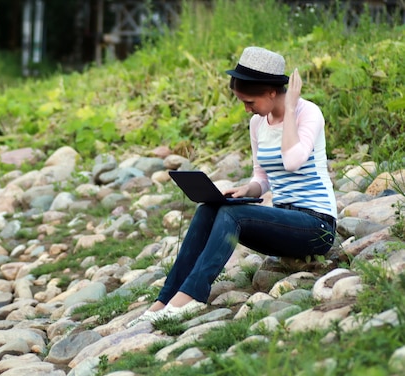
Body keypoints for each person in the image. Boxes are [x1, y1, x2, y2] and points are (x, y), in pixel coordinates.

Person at [128, 46, 337, 326]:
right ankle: (163, 302)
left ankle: (190, 298)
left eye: (250, 101)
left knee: (233, 215)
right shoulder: (257, 123)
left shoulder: (307, 113)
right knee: (210, 209)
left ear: (272, 92)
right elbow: (262, 178)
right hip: (284, 223)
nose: (246, 108)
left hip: (316, 226)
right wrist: (245, 191)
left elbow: (291, 162)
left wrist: (289, 110)